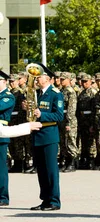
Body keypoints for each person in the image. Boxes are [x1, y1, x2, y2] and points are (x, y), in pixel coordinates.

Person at [28, 64, 64, 211]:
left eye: (40, 76)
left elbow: (59, 115)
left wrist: (42, 115)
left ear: (48, 78)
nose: (36, 79)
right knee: (41, 170)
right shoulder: (38, 93)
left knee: (50, 170)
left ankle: (54, 201)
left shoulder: (56, 93)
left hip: (49, 135)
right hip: (38, 135)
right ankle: (45, 200)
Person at [0, 70, 16, 206]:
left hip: (1, 134)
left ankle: (3, 197)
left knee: (1, 167)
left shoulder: (8, 96)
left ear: (4, 82)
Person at [77, 73, 97, 170]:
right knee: (84, 141)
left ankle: (91, 160)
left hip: (90, 120)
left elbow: (94, 110)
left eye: (86, 81)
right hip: (82, 120)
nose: (84, 83)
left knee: (91, 142)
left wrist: (93, 123)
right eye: (82, 81)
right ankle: (84, 159)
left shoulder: (93, 93)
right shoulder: (81, 93)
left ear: (90, 82)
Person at [59, 72, 79, 173]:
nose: (61, 81)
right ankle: (66, 162)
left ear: (68, 80)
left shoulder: (71, 92)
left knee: (70, 142)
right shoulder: (61, 91)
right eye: (61, 79)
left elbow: (71, 109)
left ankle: (72, 163)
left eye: (63, 79)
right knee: (63, 142)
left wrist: (69, 123)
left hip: (69, 120)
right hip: (61, 119)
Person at [8, 74, 26, 173]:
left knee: (18, 142)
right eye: (10, 81)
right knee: (12, 143)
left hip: (18, 119)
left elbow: (22, 108)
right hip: (11, 119)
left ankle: (20, 163)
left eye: (13, 81)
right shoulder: (10, 92)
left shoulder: (20, 92)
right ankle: (16, 162)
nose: (12, 83)